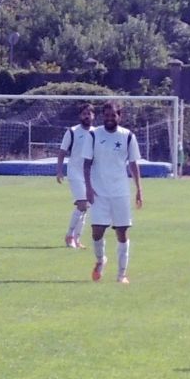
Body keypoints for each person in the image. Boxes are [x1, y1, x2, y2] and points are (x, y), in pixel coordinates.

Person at [83, 100, 143, 284]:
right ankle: (101, 260)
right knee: (97, 232)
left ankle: (121, 274)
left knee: (122, 233)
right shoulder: (93, 135)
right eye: (107, 115)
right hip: (99, 192)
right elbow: (86, 164)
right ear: (103, 116)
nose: (110, 118)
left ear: (120, 116)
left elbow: (133, 164)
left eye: (113, 115)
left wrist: (139, 189)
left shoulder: (128, 136)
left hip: (120, 192)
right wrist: (88, 188)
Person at [55, 103, 95, 249]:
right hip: (75, 172)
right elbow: (62, 152)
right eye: (84, 113)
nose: (87, 116)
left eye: (89, 114)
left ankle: (77, 239)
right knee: (82, 204)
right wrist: (59, 171)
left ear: (93, 116)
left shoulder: (96, 133)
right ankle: (69, 235)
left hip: (90, 175)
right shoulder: (72, 131)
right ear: (80, 115)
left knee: (85, 208)